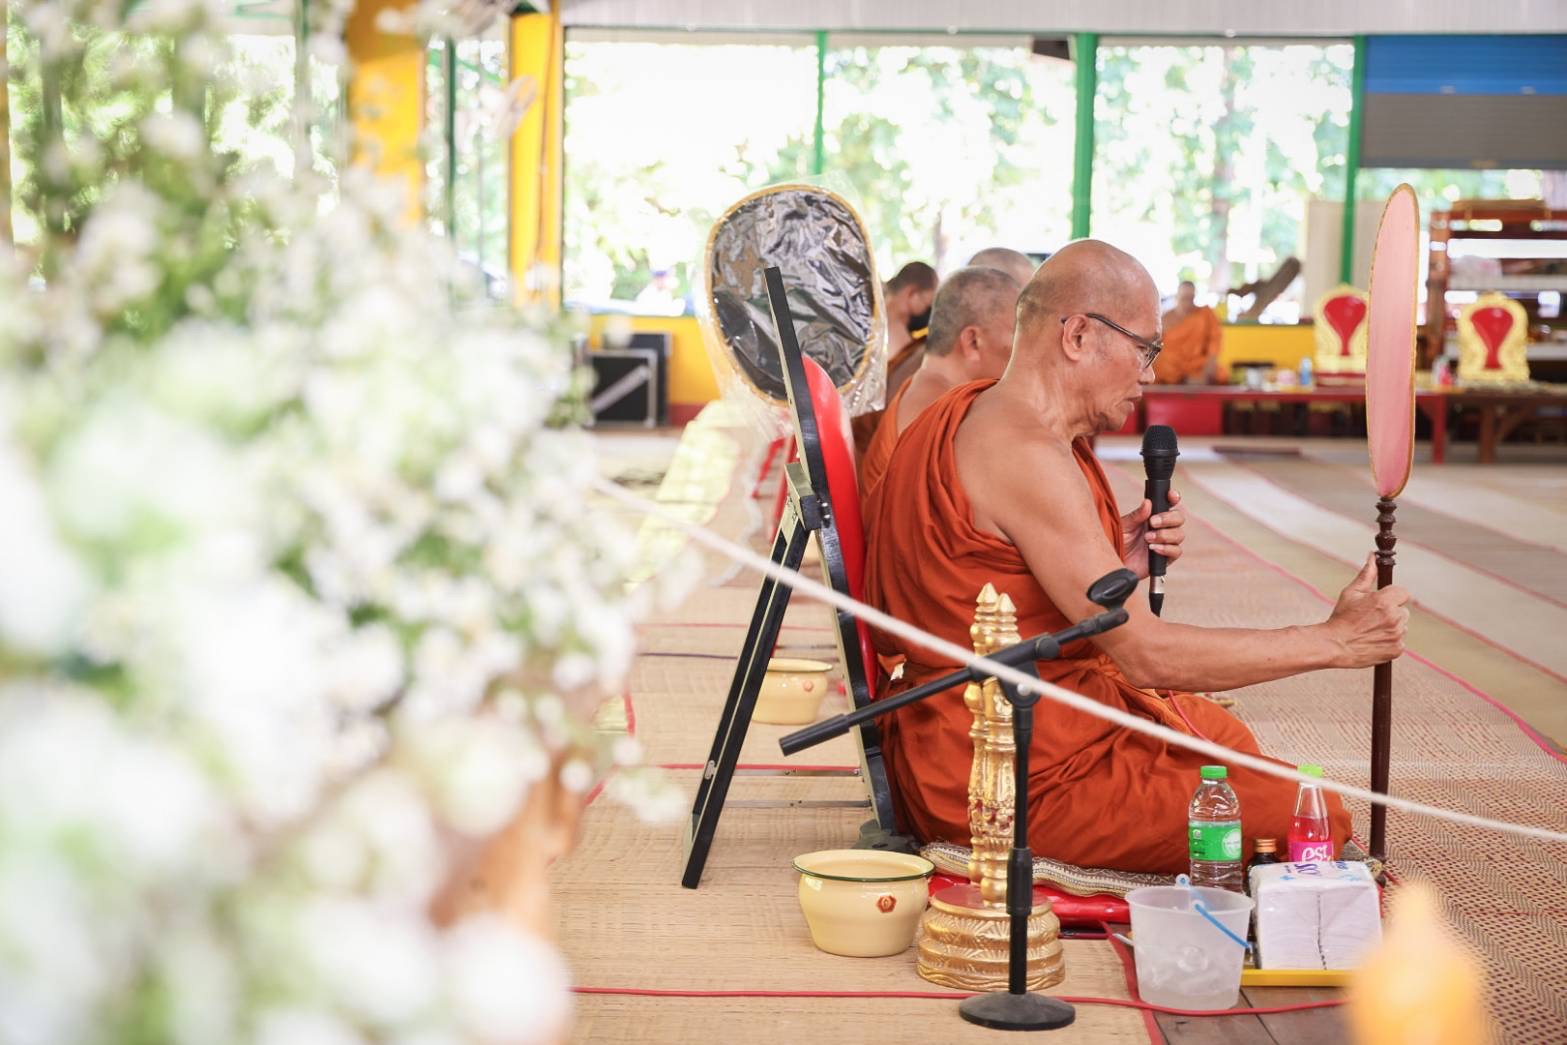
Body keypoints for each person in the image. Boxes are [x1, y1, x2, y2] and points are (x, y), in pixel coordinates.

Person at [862, 239, 1409, 875]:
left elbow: (1002, 577)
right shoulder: (1026, 452)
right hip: (1005, 768)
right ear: (1078, 336)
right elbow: (1145, 655)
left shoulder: (982, 415)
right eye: (1145, 348)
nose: (1150, 374)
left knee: (1222, 737)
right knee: (1311, 814)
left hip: (1004, 721)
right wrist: (1335, 641)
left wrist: (1107, 554)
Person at [859, 266, 1021, 498]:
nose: (1023, 349)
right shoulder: (939, 410)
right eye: (1018, 334)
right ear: (972, 341)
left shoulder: (928, 386)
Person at [853, 261, 939, 457]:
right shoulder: (907, 345)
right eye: (928, 303)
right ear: (912, 294)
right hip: (865, 445)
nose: (930, 311)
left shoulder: (858, 319)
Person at [1153, 280, 1223, 384]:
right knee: (1161, 366)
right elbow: (1155, 346)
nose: (1188, 303)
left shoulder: (1205, 314)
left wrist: (1209, 365)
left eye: (1191, 298)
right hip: (1171, 366)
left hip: (1197, 365)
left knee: (1220, 373)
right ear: (1177, 297)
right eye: (1184, 298)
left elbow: (1215, 340)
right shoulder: (1165, 318)